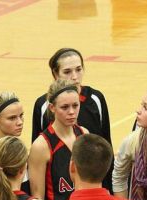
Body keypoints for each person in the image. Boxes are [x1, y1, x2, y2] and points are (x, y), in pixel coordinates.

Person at [31, 48, 112, 192]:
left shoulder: (96, 99)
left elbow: (106, 145)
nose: (75, 77)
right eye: (67, 72)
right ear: (55, 74)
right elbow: (37, 158)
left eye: (79, 69)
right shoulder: (42, 106)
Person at [28, 79, 87, 200]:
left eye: (75, 105)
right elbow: (38, 198)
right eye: (64, 107)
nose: (71, 112)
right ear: (52, 108)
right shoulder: (41, 146)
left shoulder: (84, 134)